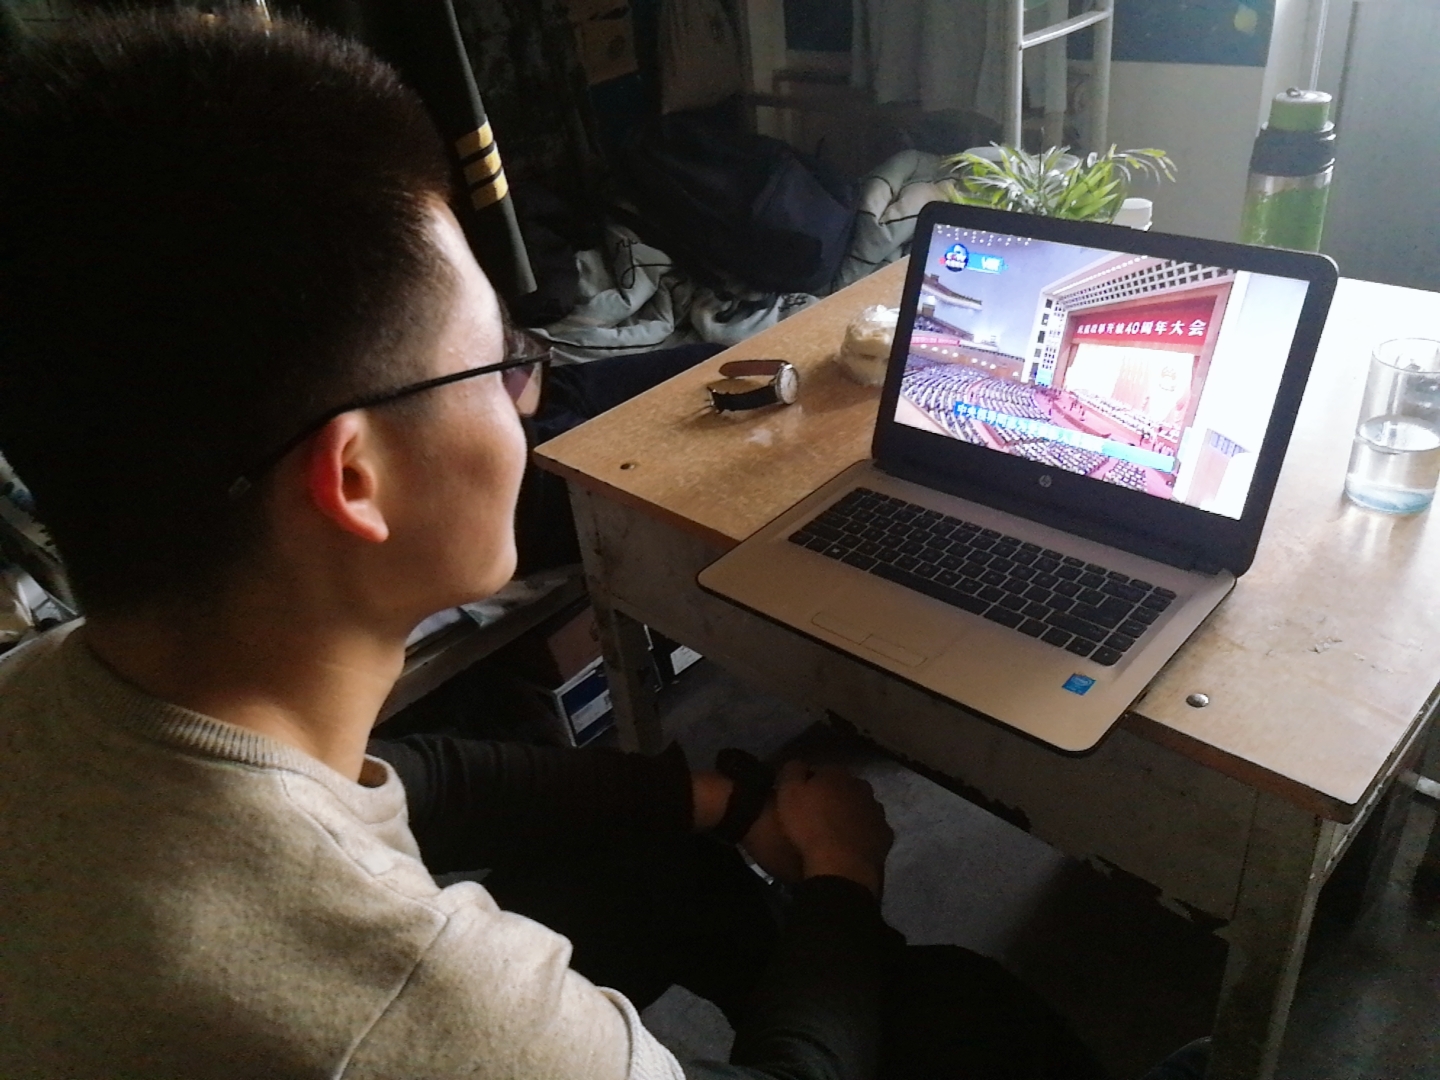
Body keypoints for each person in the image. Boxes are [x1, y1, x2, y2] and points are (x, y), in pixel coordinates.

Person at [0, 11, 1131, 1079]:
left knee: (672, 873)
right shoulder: (421, 1005)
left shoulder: (50, 691)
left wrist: (716, 803)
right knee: (975, 1020)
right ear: (354, 479)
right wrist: (844, 877)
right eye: (505, 362)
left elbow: (416, 779)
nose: (530, 398)